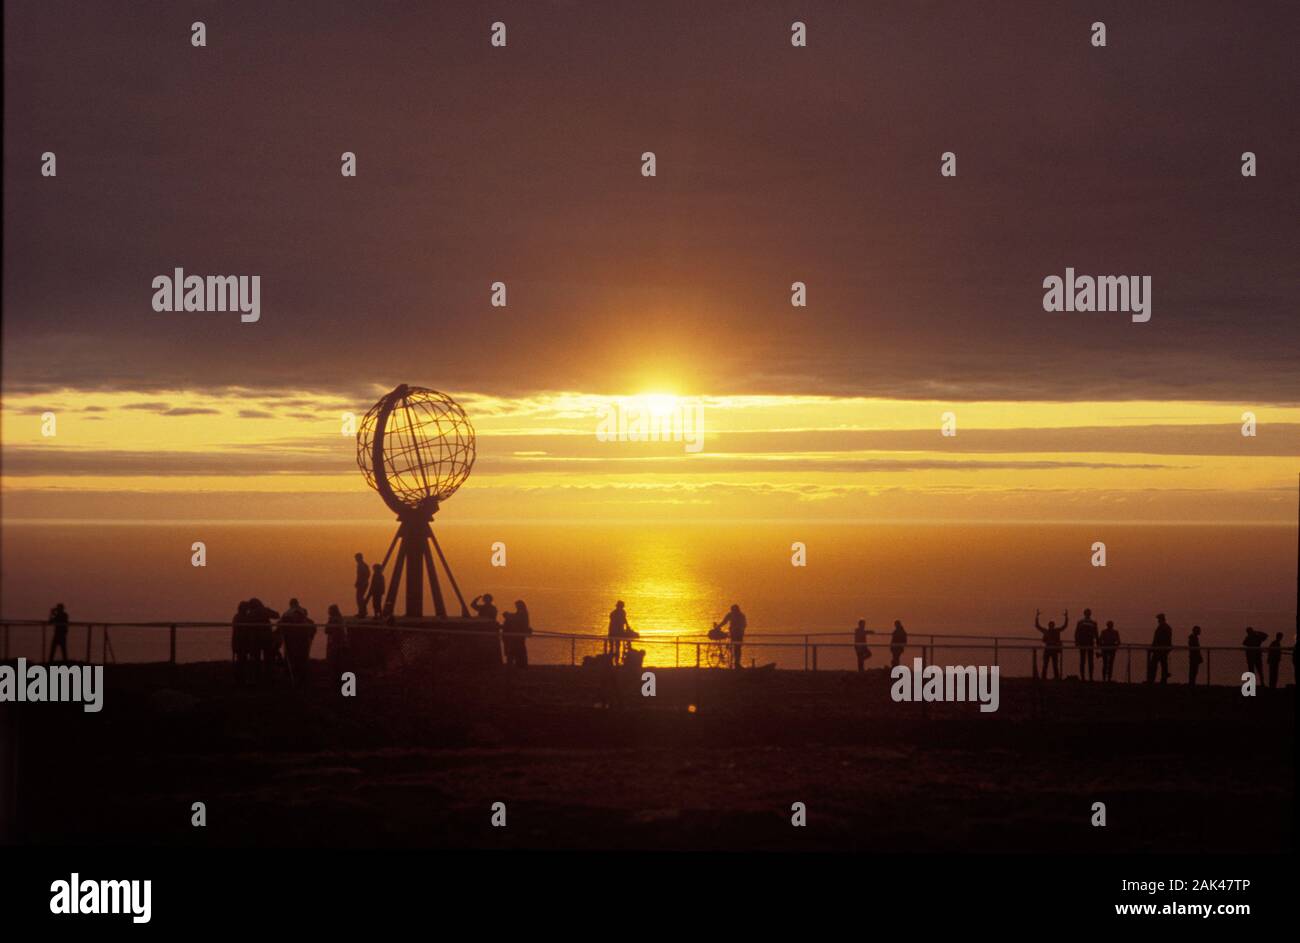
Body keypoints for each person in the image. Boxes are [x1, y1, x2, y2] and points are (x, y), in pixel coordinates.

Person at [278, 601, 316, 685]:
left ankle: (298, 679)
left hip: (296, 645)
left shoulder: (288, 615)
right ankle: (299, 678)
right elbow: (313, 630)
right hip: (298, 644)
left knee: (296, 661)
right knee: (299, 661)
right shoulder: (306, 620)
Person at [243, 598, 280, 680]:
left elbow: (247, 626)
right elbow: (277, 615)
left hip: (255, 639)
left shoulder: (250, 614)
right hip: (267, 638)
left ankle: (257, 676)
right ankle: (268, 676)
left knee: (256, 659)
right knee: (268, 658)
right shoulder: (264, 610)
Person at [1034, 608, 1068, 680]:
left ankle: (1052, 677)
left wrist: (1066, 617)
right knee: (1047, 664)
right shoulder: (1055, 631)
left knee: (1053, 664)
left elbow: (1064, 626)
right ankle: (1048, 677)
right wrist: (1037, 617)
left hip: (1051, 649)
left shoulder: (1049, 631)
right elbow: (1037, 626)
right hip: (1050, 649)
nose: (1051, 626)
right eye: (1051, 625)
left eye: (1051, 625)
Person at [501, 600, 532, 668]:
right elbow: (515, 617)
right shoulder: (521, 613)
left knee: (515, 651)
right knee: (517, 651)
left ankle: (517, 665)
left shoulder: (522, 613)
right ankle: (518, 665)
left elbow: (516, 618)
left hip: (518, 636)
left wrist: (508, 615)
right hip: (516, 636)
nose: (517, 607)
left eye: (517, 605)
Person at [716, 604, 747, 669]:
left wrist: (738, 628)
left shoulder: (740, 616)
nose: (733, 612)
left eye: (734, 610)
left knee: (737, 649)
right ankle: (734, 663)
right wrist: (718, 626)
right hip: (734, 634)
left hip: (738, 634)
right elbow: (724, 622)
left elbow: (744, 625)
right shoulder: (732, 615)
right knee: (735, 648)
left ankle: (736, 663)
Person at [1147, 613, 1172, 684]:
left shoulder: (1162, 627)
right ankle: (1163, 680)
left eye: (1158, 619)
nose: (1158, 621)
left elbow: (1156, 639)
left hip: (1158, 650)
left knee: (1154, 665)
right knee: (1164, 665)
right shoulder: (1167, 627)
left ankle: (1151, 680)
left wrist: (1153, 647)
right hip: (1163, 649)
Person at [1074, 608, 1098, 681]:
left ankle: (1086, 677)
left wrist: (1077, 641)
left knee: (1085, 660)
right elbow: (1096, 633)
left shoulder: (1081, 622)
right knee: (1086, 660)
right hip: (1087, 643)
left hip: (1086, 643)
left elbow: (1076, 633)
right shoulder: (1092, 622)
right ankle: (1086, 677)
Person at [325, 604, 349, 675]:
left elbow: (327, 630)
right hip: (337, 644)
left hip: (335, 644)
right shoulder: (340, 619)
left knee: (335, 662)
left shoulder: (334, 620)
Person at [353, 553, 370, 617]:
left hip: (362, 584)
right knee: (360, 598)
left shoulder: (361, 565)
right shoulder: (362, 565)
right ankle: (362, 611)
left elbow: (363, 575)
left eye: (356, 558)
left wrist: (360, 582)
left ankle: (362, 612)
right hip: (362, 583)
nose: (356, 559)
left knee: (359, 598)